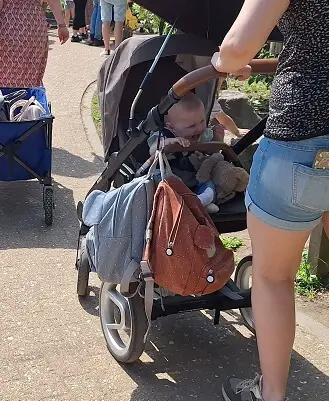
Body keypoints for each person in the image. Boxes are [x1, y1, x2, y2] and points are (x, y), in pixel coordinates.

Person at [211, 0, 329, 400]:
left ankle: (271, 393)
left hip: (301, 136)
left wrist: (225, 61)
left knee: (274, 276)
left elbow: (236, 48)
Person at [0, 0, 69, 88]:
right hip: (34, 25)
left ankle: (7, 99)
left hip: (8, 24)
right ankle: (31, 98)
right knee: (32, 75)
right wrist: (61, 25)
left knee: (5, 75)